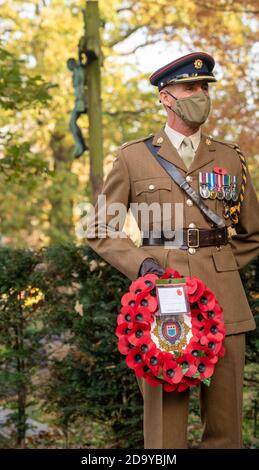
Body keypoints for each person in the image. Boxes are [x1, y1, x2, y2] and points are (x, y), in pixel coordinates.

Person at [86, 52, 259, 448]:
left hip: (225, 306)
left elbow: (253, 232)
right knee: (165, 432)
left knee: (226, 429)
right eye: (189, 87)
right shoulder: (134, 157)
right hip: (161, 302)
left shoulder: (230, 158)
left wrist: (221, 266)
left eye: (204, 87)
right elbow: (99, 228)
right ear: (166, 97)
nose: (200, 94)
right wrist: (144, 264)